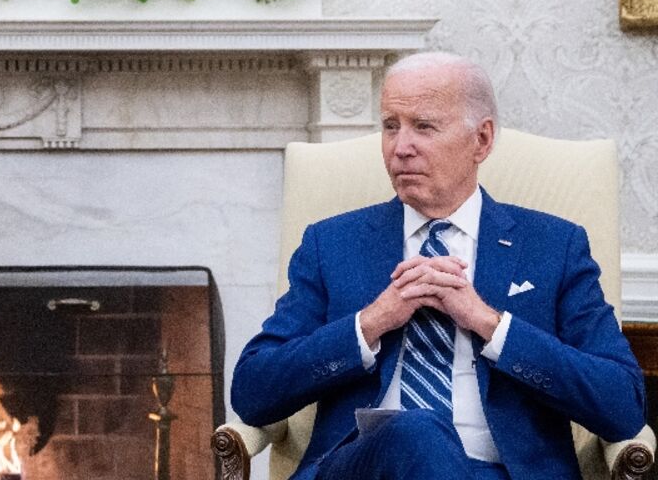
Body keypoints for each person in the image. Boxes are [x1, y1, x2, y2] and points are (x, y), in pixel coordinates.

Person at [230, 52, 645, 480]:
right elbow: (252, 392)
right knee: (415, 430)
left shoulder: (553, 247)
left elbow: (623, 405)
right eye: (391, 126)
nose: (400, 147)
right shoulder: (332, 243)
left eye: (424, 127)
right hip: (364, 468)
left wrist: (489, 324)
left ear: (481, 141)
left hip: (503, 472)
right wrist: (369, 324)